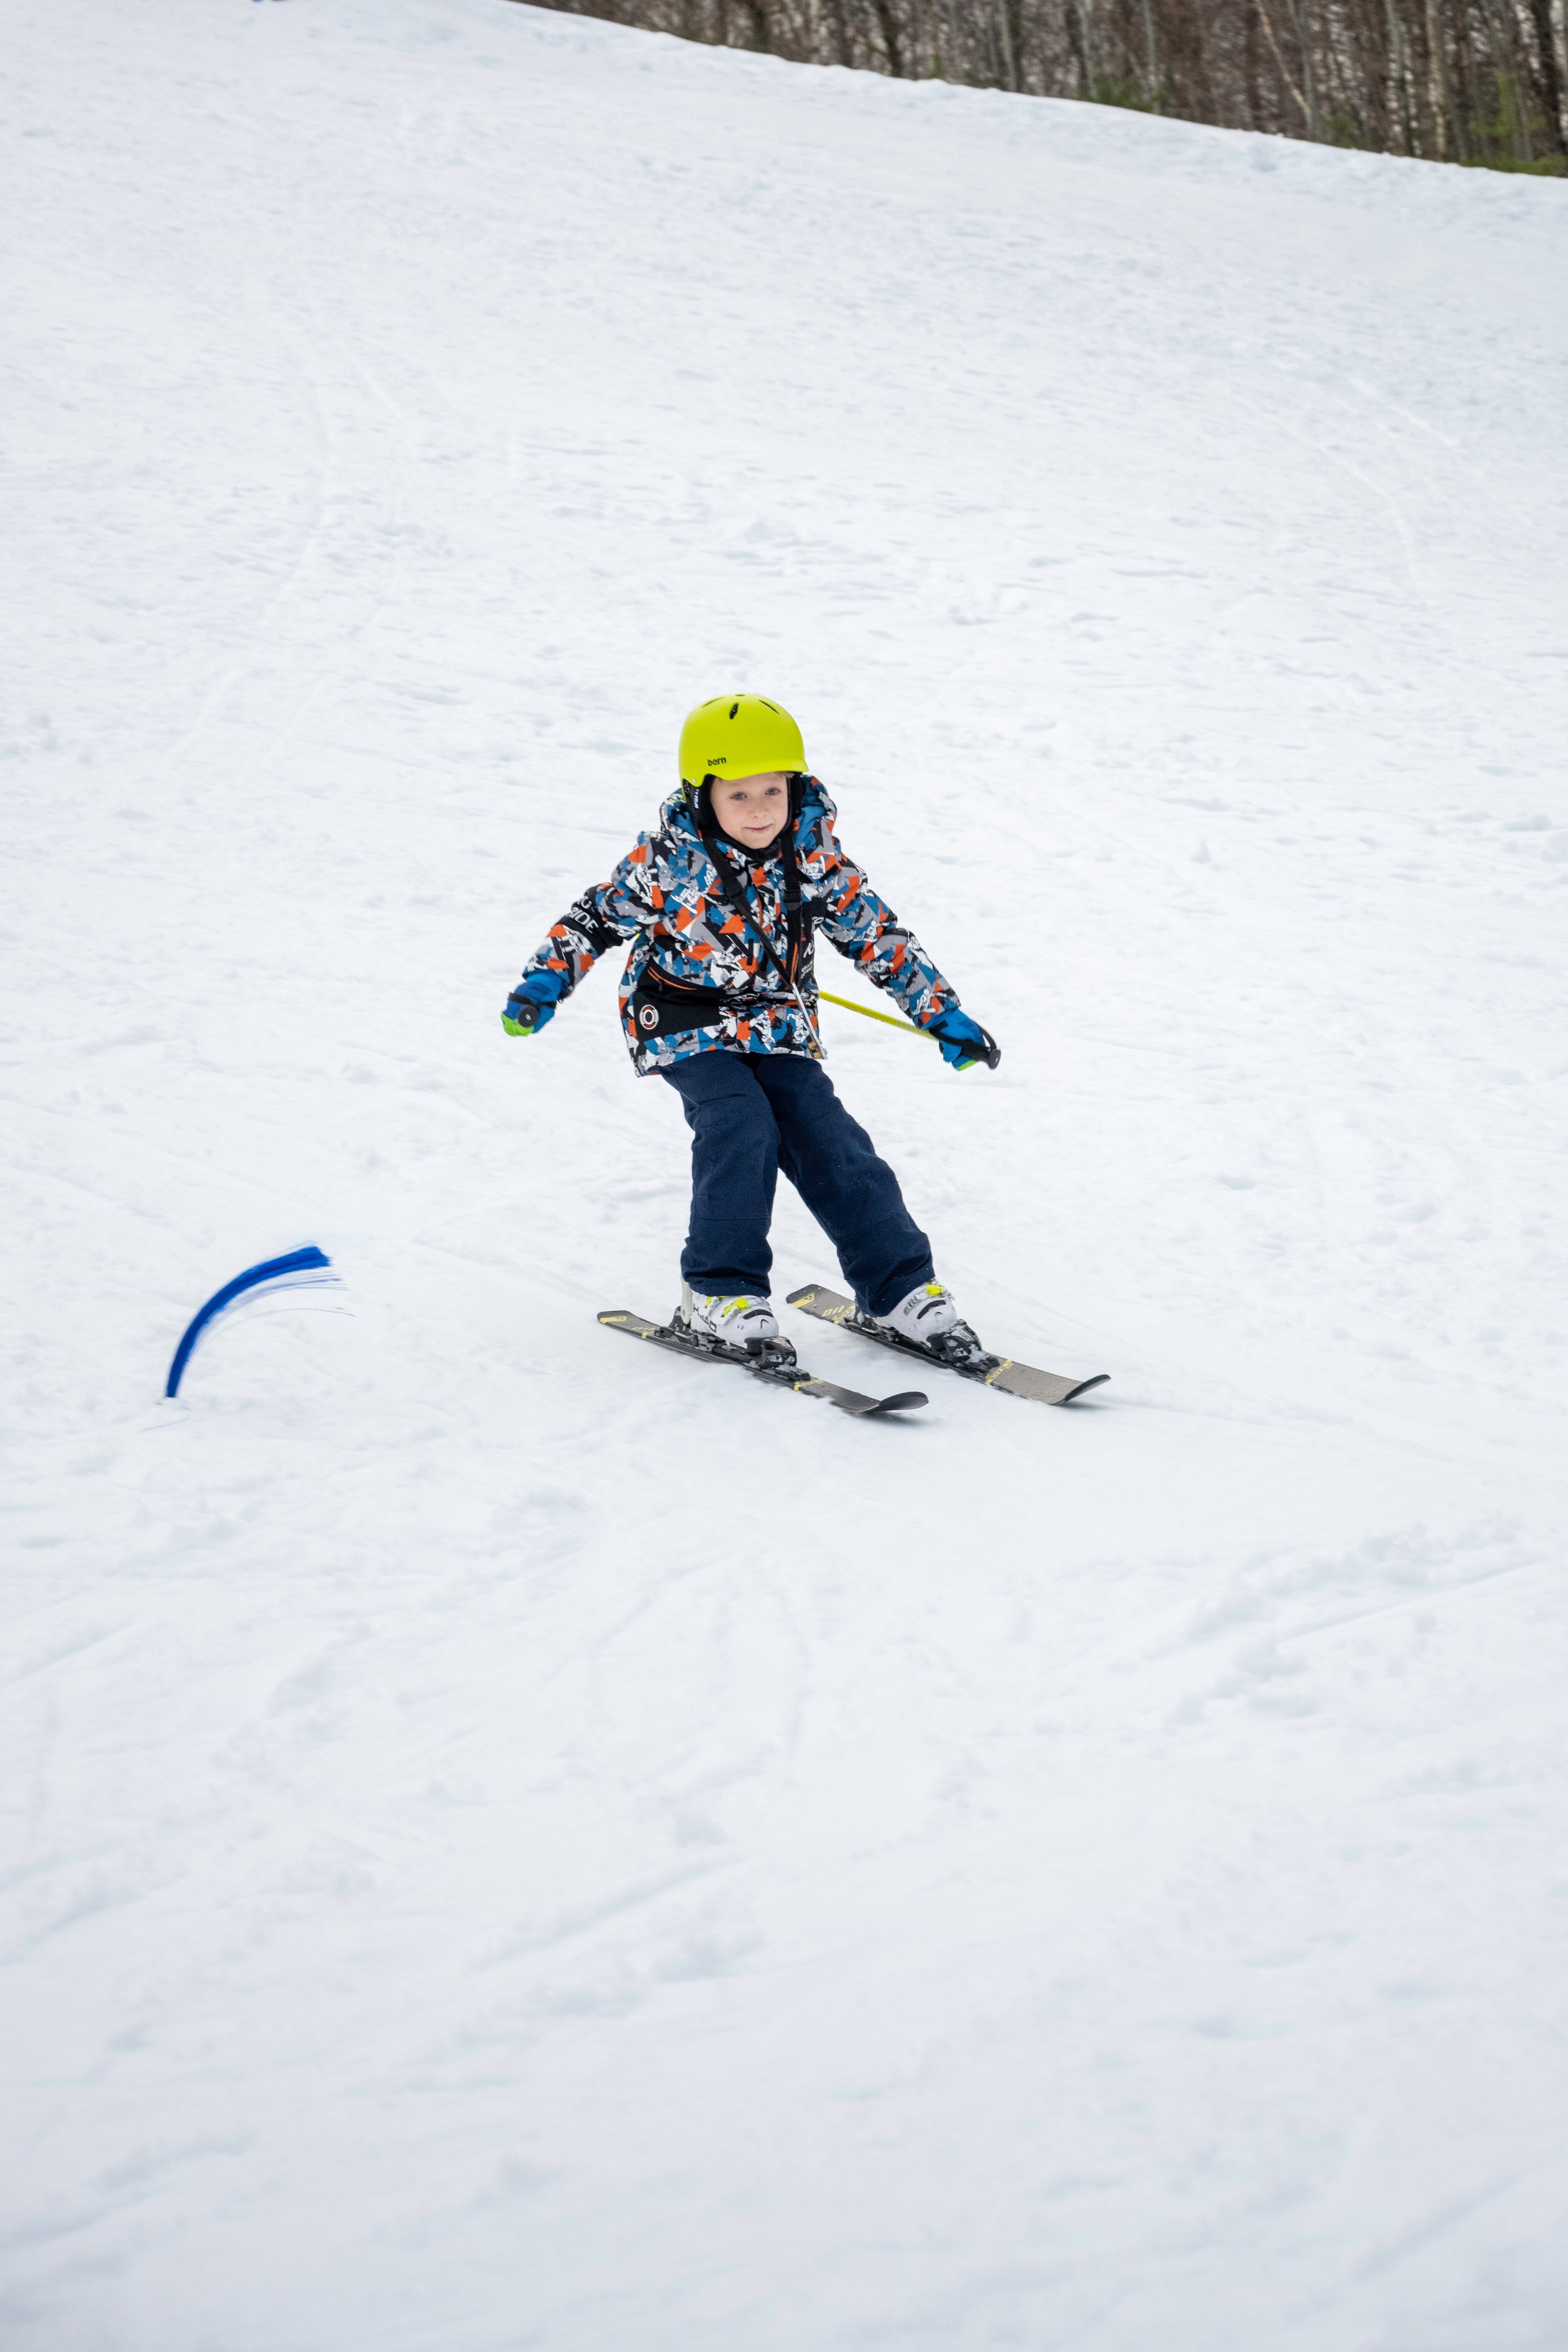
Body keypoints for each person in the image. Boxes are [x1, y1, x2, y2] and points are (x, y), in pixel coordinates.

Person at [501, 694, 997, 1351]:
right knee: (739, 1119)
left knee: (824, 1131)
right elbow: (593, 920)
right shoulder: (668, 860)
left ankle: (898, 1288)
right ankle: (718, 1291)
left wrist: (942, 1014)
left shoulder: (813, 859)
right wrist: (545, 980)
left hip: (775, 1023)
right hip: (680, 1018)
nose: (761, 809)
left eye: (774, 790)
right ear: (703, 794)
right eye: (739, 796)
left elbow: (877, 935)